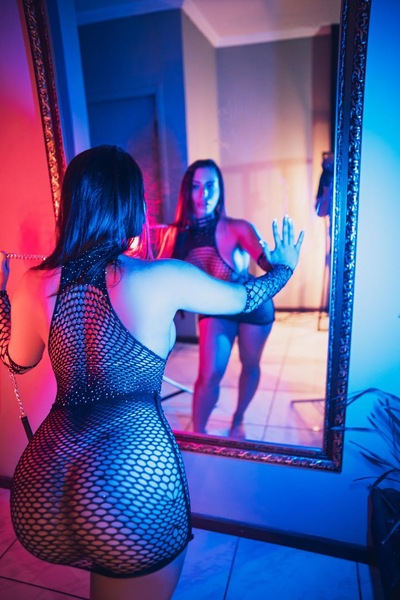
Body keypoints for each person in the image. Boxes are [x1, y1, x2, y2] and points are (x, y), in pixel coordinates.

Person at [0, 145, 303, 600]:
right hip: (129, 481)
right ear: (131, 206)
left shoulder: (32, 283)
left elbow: (16, 360)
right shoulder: (162, 278)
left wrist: (2, 299)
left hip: (46, 482)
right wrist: (284, 267)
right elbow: (246, 298)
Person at [158, 159, 291, 438]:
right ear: (187, 191)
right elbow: (160, 277)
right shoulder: (175, 234)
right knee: (209, 375)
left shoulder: (237, 228)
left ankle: (238, 418)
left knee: (250, 365)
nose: (203, 194)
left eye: (210, 186)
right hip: (214, 308)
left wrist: (280, 262)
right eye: (196, 186)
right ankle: (200, 433)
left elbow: (266, 263)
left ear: (220, 190)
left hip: (252, 305)